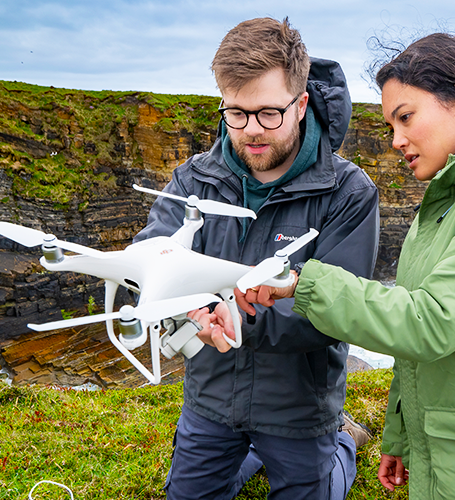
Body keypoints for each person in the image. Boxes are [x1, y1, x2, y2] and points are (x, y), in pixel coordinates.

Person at [236, 24, 455, 499]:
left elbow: (430, 321)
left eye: (406, 117)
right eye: (390, 126)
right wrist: (404, 436)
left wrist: (302, 282)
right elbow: (425, 332)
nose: (395, 140)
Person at [132, 17, 380, 500]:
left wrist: (238, 321)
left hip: (298, 408)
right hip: (210, 399)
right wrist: (188, 309)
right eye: (237, 113)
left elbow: (338, 307)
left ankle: (344, 444)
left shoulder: (349, 192)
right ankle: (251, 453)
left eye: (269, 113)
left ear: (301, 102)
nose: (250, 131)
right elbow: (154, 255)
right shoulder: (193, 180)